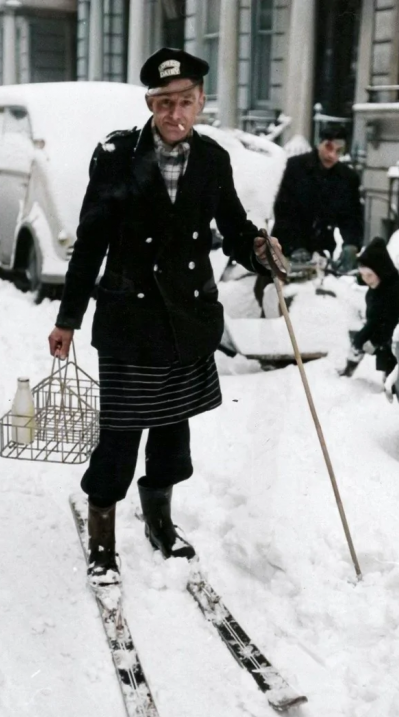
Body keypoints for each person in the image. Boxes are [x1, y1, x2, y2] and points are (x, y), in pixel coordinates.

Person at [47, 47, 280, 585]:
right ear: (151, 104)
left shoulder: (213, 160)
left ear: (201, 102)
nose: (176, 114)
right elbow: (90, 242)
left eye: (186, 102)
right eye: (165, 102)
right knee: (120, 435)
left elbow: (235, 227)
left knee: (173, 434)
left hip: (185, 322)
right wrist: (68, 319)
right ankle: (102, 538)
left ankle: (159, 521)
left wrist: (259, 250)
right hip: (129, 322)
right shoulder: (116, 156)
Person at [253, 125, 364, 310]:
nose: (332, 155)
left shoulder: (347, 178)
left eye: (339, 151)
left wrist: (351, 244)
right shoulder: (294, 168)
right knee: (272, 297)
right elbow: (283, 211)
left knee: (316, 302)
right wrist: (295, 246)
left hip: (320, 250)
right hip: (285, 246)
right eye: (329, 147)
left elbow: (352, 217)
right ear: (319, 143)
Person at [339, 237, 399, 379]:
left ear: (381, 271)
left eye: (369, 275)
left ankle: (391, 383)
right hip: (376, 323)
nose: (366, 279)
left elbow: (392, 322)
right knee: (359, 340)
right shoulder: (377, 283)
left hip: (395, 333)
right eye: (363, 275)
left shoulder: (394, 291)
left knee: (389, 356)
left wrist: (375, 341)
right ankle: (348, 371)